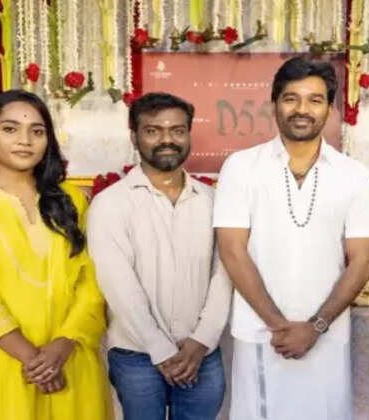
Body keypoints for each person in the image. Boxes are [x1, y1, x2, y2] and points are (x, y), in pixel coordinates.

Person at [214, 57, 369, 420]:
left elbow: (364, 259)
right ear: (274, 104)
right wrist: (279, 325)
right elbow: (232, 251)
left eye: (315, 100)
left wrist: (315, 327)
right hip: (261, 335)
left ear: (330, 109)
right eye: (291, 98)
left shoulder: (353, 175)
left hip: (327, 336)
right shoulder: (241, 167)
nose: (302, 109)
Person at [0, 90, 111, 420]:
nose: (25, 140)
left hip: (71, 356)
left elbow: (92, 282)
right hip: (1, 360)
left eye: (37, 131)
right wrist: (35, 361)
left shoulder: (71, 200)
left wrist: (63, 344)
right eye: (10, 129)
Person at [87, 92, 232, 420]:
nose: (167, 140)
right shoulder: (110, 204)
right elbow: (117, 284)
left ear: (189, 134)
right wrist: (161, 349)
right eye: (153, 131)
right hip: (136, 354)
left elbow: (224, 275)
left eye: (177, 130)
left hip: (201, 352)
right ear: (134, 136)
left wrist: (202, 340)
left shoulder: (213, 201)